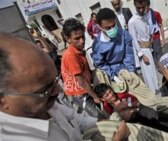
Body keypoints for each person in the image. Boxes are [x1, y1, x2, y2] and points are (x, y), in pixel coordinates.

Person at [0, 33, 129, 141]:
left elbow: (77, 119)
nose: (58, 90)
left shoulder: (47, 105)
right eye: (44, 90)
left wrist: (112, 122)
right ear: (3, 100)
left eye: (55, 80)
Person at [94, 83, 168, 141]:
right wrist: (124, 108)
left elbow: (138, 104)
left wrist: (125, 107)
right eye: (107, 95)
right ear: (103, 98)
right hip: (141, 125)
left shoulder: (123, 95)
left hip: (147, 114)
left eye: (110, 92)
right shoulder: (108, 109)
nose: (111, 95)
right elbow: (116, 119)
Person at [61, 18, 104, 118]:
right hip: (80, 94)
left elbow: (86, 71)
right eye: (77, 38)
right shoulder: (70, 55)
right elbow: (81, 81)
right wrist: (95, 96)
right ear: (68, 39)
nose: (82, 41)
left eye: (83, 37)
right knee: (99, 117)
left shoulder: (79, 50)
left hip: (87, 88)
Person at [91, 8, 135, 81]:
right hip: (111, 75)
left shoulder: (123, 34)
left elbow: (129, 54)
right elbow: (100, 64)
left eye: (113, 25)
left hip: (128, 70)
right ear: (99, 27)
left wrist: (130, 71)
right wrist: (113, 77)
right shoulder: (97, 44)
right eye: (108, 28)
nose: (112, 29)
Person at [128, 0, 159, 93]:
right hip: (143, 51)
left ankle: (157, 91)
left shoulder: (145, 17)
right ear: (134, 5)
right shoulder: (132, 21)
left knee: (153, 72)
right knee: (148, 75)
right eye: (138, 8)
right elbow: (133, 40)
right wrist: (141, 55)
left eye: (143, 7)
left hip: (149, 48)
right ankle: (153, 96)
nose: (141, 10)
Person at [145, 0, 165, 65]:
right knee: (150, 55)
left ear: (148, 5)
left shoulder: (156, 14)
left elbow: (161, 26)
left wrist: (163, 39)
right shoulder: (141, 16)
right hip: (147, 38)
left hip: (155, 36)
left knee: (158, 53)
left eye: (145, 6)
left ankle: (162, 68)